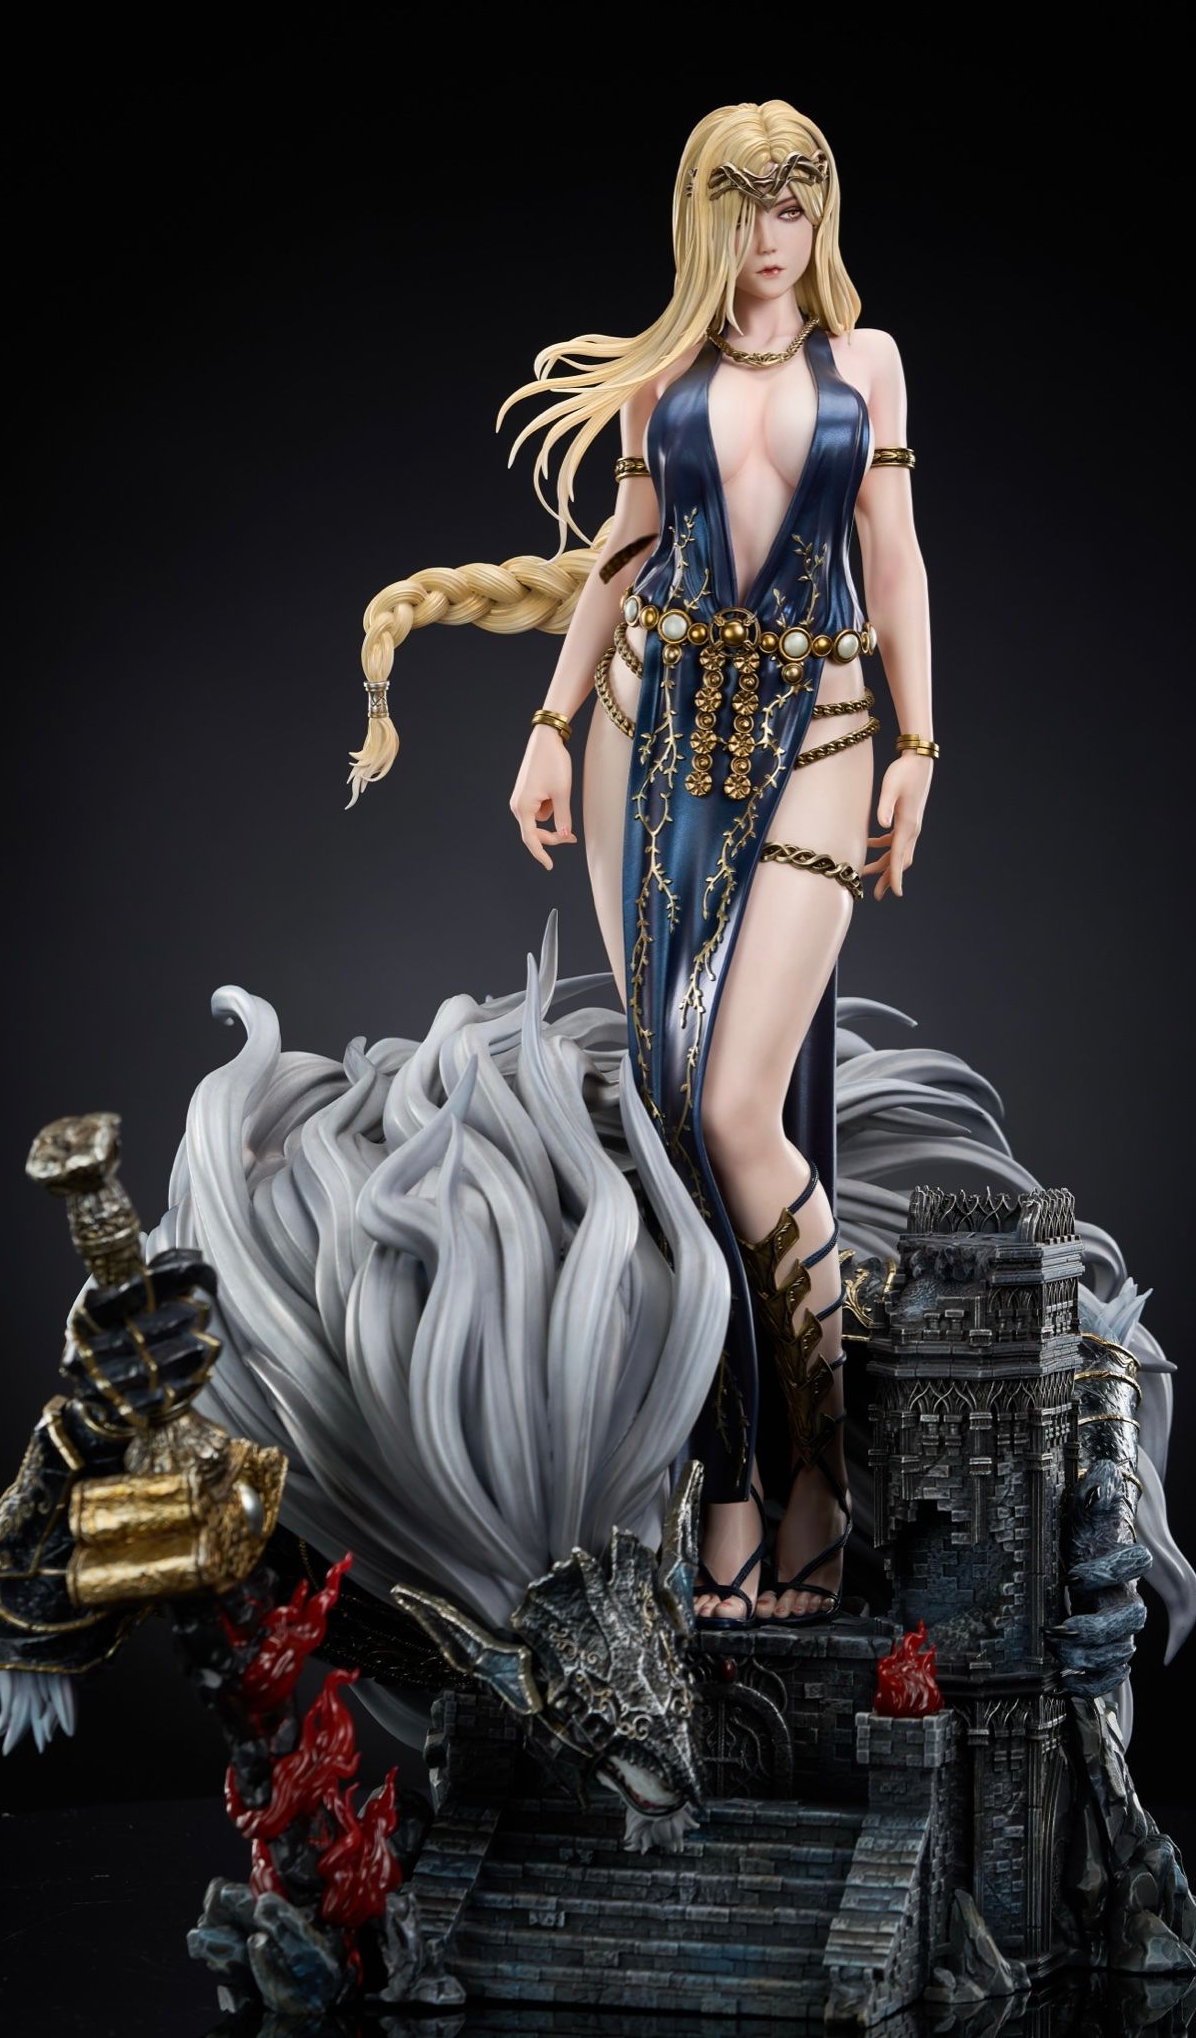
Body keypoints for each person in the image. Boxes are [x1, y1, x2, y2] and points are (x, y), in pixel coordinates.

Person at [345, 100, 934, 1631]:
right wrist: (549, 727)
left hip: (821, 728)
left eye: (795, 198)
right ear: (701, 215)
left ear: (823, 211)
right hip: (651, 741)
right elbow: (620, 553)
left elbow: (893, 555)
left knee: (744, 1108)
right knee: (679, 1117)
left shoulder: (865, 366)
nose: (771, 228)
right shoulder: (660, 381)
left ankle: (826, 1479)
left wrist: (920, 746)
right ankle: (725, 1488)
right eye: (744, 201)